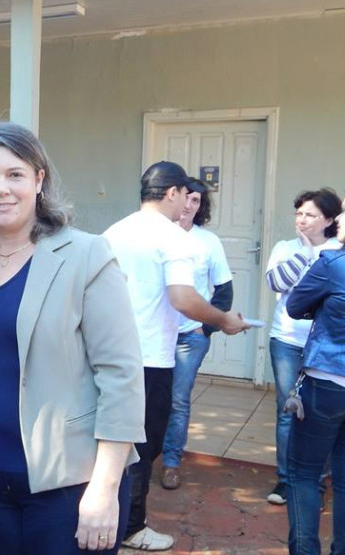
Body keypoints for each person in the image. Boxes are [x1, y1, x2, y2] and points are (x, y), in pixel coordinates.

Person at [0, 121, 144, 554]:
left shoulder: (85, 255)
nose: (2, 189)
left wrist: (105, 487)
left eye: (15, 174)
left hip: (70, 483)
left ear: (39, 179)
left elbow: (121, 375)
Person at [103, 161, 249, 552]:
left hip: (109, 356)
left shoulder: (114, 232)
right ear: (171, 193)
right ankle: (131, 527)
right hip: (149, 360)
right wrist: (224, 320)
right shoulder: (174, 238)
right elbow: (183, 298)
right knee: (143, 446)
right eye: (185, 195)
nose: (188, 204)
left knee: (109, 442)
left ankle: (105, 516)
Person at [284, 179, 345, 555]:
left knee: (303, 474)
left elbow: (294, 306)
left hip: (328, 384)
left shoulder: (336, 261)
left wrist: (326, 307)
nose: (338, 221)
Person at [263, 188, 342, 506]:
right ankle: (285, 481)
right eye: (298, 213)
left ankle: (317, 484)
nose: (302, 220)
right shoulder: (285, 248)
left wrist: (318, 254)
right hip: (286, 339)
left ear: (329, 219)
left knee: (319, 414)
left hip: (325, 344)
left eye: (310, 214)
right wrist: (307, 254)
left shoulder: (341, 251)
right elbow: (275, 283)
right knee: (286, 411)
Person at [160, 189, 233, 490]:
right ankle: (140, 457)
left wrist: (207, 328)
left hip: (190, 337)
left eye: (196, 201)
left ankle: (170, 463)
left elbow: (224, 290)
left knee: (177, 400)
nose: (189, 205)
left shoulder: (208, 242)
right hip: (154, 336)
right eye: (186, 198)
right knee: (148, 397)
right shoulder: (158, 235)